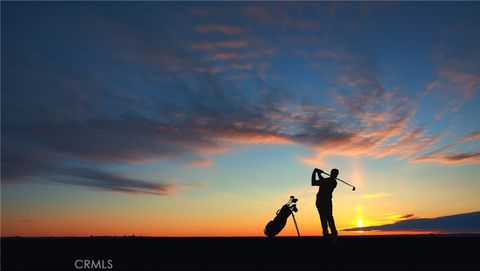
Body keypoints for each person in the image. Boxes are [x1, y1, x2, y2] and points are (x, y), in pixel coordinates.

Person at [311, 168, 338, 237]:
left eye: (336, 174)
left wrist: (316, 173)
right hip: (321, 201)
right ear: (333, 173)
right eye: (335, 173)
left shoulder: (333, 182)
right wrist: (316, 173)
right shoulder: (328, 180)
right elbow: (313, 183)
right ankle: (327, 233)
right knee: (324, 217)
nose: (336, 175)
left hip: (325, 201)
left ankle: (333, 233)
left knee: (328, 217)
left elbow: (323, 182)